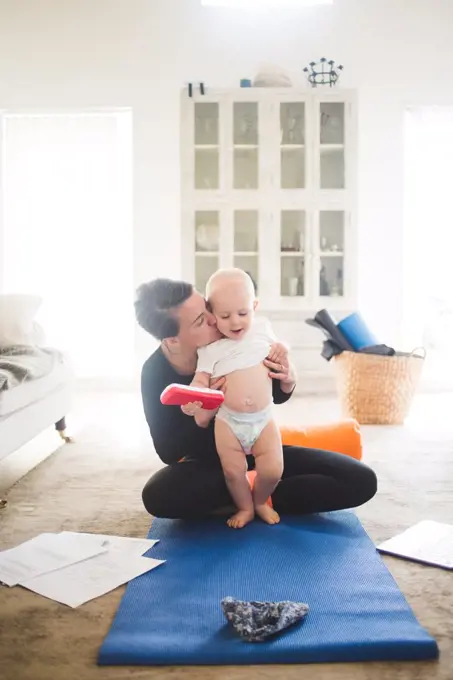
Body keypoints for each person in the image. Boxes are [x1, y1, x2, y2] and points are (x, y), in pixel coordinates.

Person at [135, 277, 377, 520]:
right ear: (172, 340)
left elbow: (276, 394)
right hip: (212, 461)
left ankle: (260, 495)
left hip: (261, 441)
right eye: (201, 320)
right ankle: (246, 492)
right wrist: (203, 418)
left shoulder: (234, 333)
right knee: (158, 495)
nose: (215, 319)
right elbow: (167, 451)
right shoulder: (154, 372)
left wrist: (288, 377)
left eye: (207, 307)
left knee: (360, 480)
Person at [186, 268, 287, 529]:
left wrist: (283, 353)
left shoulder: (263, 328)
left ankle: (261, 500)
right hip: (228, 422)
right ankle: (245, 507)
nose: (235, 322)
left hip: (263, 418)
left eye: (243, 313)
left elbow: (279, 353)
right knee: (233, 472)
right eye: (225, 315)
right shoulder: (210, 348)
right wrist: (193, 397)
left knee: (273, 470)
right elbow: (201, 378)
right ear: (212, 315)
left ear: (254, 306)